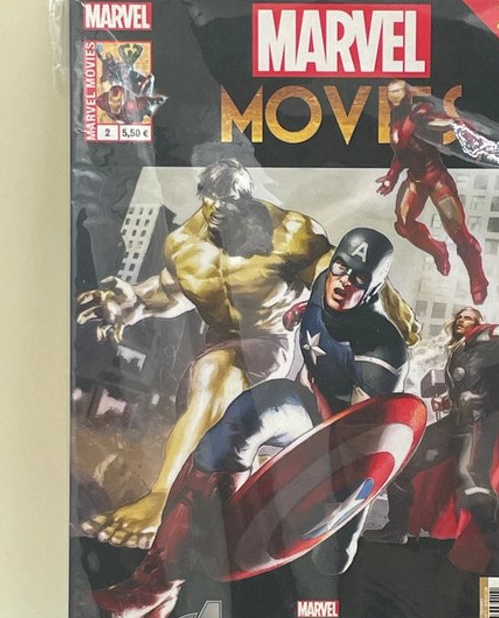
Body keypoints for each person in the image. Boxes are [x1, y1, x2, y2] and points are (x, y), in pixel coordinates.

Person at [78, 159, 419, 550]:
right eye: (214, 203)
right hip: (212, 348)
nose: (223, 212)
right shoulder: (184, 245)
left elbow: (341, 275)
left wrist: (390, 314)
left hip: (268, 347)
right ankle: (227, 489)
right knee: (216, 376)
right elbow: (171, 291)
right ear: (204, 199)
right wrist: (133, 303)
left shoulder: (291, 234)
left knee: (222, 371)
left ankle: (162, 501)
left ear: (248, 198)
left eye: (234, 204)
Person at [93, 229, 413, 618]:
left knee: (332, 561)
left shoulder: (381, 351)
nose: (343, 282)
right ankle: (155, 583)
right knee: (243, 419)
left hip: (339, 444)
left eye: (358, 279)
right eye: (340, 269)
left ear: (373, 289)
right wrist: (301, 313)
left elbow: (367, 441)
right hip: (306, 406)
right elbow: (321, 310)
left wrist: (340, 520)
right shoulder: (324, 284)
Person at [364, 306, 499, 577]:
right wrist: (447, 401)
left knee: (473, 487)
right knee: (403, 465)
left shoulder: (485, 337)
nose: (462, 320)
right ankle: (396, 529)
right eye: (459, 317)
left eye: (469, 317)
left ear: (479, 322)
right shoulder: (460, 351)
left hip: (480, 424)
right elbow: (469, 385)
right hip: (456, 423)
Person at [376, 80, 489, 302]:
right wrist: (391, 177)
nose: (394, 98)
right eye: (391, 94)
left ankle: (478, 279)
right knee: (404, 225)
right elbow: (402, 154)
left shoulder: (420, 113)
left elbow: (439, 122)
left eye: (399, 93)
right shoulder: (395, 121)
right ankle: (438, 250)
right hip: (416, 180)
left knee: (459, 233)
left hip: (437, 180)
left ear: (408, 97)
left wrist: (459, 126)